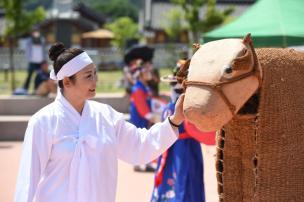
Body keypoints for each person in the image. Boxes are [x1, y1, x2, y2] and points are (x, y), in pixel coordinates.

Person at [14, 42, 185, 202]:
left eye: (95, 73)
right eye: (88, 76)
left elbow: (140, 145)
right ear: (67, 81)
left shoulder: (105, 116)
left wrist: (174, 120)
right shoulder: (43, 122)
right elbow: (28, 181)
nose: (95, 81)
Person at [150, 60, 214, 202]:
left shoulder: (179, 107)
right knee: (181, 178)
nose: (174, 87)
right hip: (179, 147)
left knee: (181, 178)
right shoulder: (181, 107)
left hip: (180, 146)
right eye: (173, 85)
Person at [23, 27, 47, 92]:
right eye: (35, 32)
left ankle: (37, 88)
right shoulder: (29, 41)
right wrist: (29, 58)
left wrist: (44, 60)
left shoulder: (42, 40)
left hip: (40, 61)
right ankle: (25, 88)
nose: (36, 33)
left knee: (39, 76)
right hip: (32, 61)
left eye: (37, 31)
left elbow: (44, 51)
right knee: (29, 75)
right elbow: (27, 51)